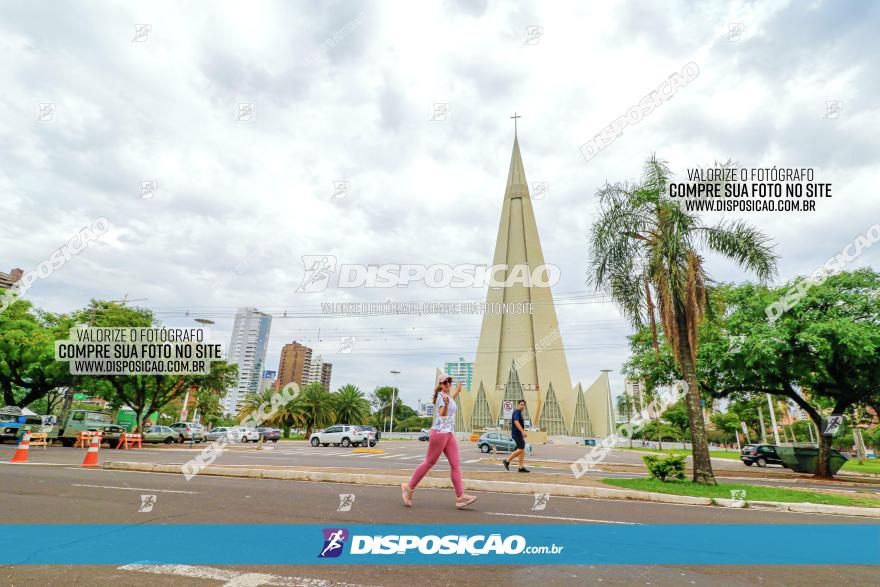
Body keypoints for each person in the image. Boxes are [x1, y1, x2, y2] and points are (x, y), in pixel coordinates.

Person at [401, 376, 477, 509]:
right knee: (429, 462)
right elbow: (442, 415)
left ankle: (460, 497)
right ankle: (409, 487)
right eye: (445, 382)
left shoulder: (448, 396)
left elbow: (450, 401)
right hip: (439, 433)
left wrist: (457, 392)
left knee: (455, 464)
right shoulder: (441, 397)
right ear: (441, 384)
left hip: (448, 433)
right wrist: (446, 405)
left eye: (449, 381)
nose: (448, 384)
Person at [503, 399, 529, 473]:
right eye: (521, 404)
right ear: (518, 405)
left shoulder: (519, 413)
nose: (522, 406)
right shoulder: (516, 412)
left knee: (522, 449)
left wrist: (522, 433)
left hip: (519, 434)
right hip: (516, 434)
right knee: (521, 449)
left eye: (523, 405)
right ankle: (507, 461)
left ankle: (520, 467)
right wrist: (522, 431)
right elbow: (516, 421)